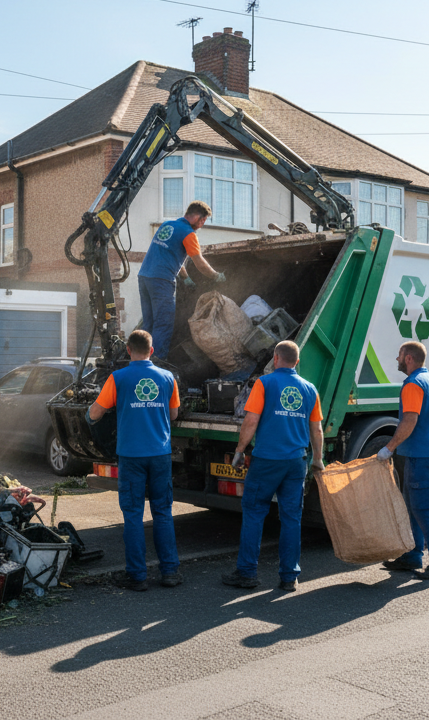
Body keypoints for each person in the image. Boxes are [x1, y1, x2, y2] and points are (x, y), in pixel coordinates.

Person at [221, 341, 323, 592]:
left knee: (255, 513)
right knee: (291, 518)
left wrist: (239, 450)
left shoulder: (264, 384)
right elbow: (316, 429)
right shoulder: (310, 389)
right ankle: (289, 577)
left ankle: (247, 573)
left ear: (275, 359)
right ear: (297, 362)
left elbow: (251, 421)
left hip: (267, 460)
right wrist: (318, 459)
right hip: (296, 462)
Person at [87, 329, 182, 591]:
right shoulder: (167, 378)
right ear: (152, 351)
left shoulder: (118, 378)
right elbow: (174, 415)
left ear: (128, 350)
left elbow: (96, 412)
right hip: (160, 454)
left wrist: (89, 417)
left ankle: (138, 576)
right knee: (162, 512)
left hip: (131, 456)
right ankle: (170, 572)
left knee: (133, 515)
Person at [379, 341, 429, 580]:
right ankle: (412, 556)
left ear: (409, 358)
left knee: (424, 508)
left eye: (399, 355)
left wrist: (389, 447)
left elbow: (409, 420)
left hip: (421, 455)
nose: (397, 360)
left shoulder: (413, 384)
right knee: (413, 507)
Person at [138, 200, 226, 354]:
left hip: (145, 277)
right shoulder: (189, 234)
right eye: (203, 221)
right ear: (199, 217)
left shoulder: (167, 225)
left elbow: (172, 257)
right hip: (162, 281)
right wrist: (216, 276)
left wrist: (186, 278)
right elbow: (199, 263)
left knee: (149, 324)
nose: (202, 225)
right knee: (163, 324)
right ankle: (157, 363)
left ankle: (140, 360)